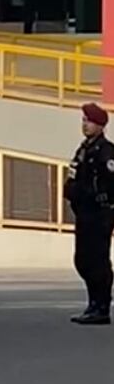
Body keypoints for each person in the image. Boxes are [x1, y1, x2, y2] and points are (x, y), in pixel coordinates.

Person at [65, 103, 114, 324]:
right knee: (83, 260)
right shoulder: (83, 149)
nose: (85, 125)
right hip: (84, 212)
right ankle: (93, 302)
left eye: (89, 121)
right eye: (83, 120)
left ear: (100, 125)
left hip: (100, 213)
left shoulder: (107, 151)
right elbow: (74, 175)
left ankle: (101, 306)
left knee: (98, 261)